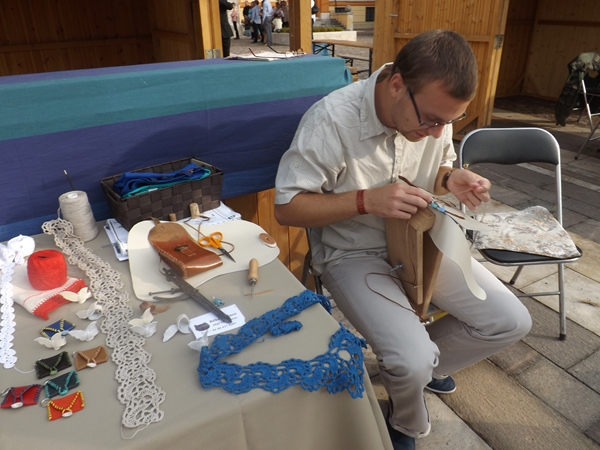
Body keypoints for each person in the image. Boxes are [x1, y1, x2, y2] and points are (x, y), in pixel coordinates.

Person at [274, 30, 532, 450]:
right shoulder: (331, 120)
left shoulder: (431, 113)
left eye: (448, 122)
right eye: (431, 119)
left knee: (510, 321)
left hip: (421, 241)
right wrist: (365, 200)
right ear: (397, 84)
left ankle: (419, 370)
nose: (436, 132)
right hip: (353, 252)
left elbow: (437, 166)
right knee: (411, 360)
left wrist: (451, 178)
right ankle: (406, 419)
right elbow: (287, 208)